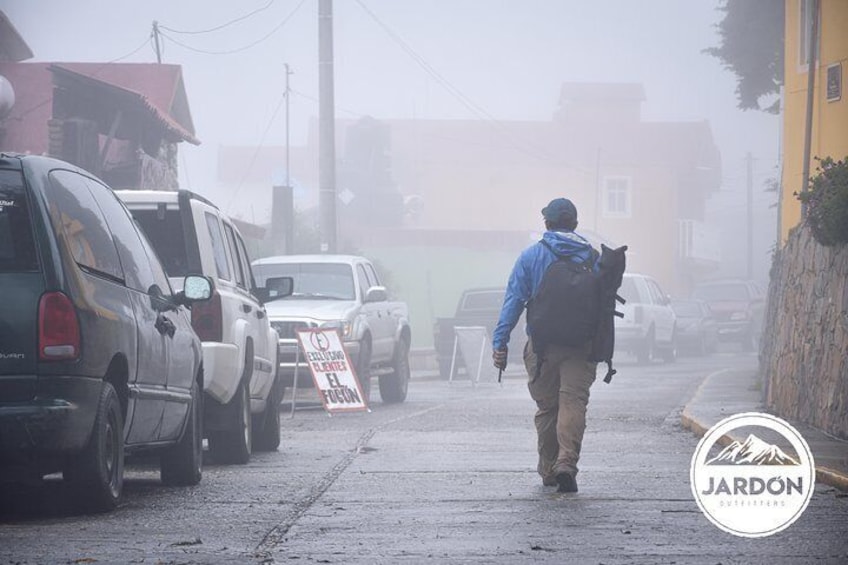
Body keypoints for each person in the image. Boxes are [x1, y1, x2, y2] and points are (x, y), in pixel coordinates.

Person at [492, 197, 599, 493]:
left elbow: (513, 301)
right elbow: (603, 306)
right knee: (572, 401)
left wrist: (500, 342)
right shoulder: (593, 257)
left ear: (547, 225)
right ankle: (567, 462)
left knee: (548, 407)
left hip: (542, 347)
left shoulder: (530, 257)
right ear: (575, 225)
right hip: (582, 346)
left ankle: (548, 469)